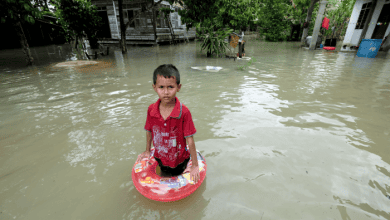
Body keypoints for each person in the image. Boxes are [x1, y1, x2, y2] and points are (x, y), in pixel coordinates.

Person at [136, 64, 200, 183]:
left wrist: (195, 165)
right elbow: (149, 131)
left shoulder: (184, 112)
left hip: (180, 160)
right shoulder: (151, 110)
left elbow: (190, 140)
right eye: (161, 87)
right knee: (165, 182)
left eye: (170, 87)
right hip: (160, 158)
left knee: (179, 185)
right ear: (154, 87)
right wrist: (147, 150)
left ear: (178, 87)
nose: (166, 92)